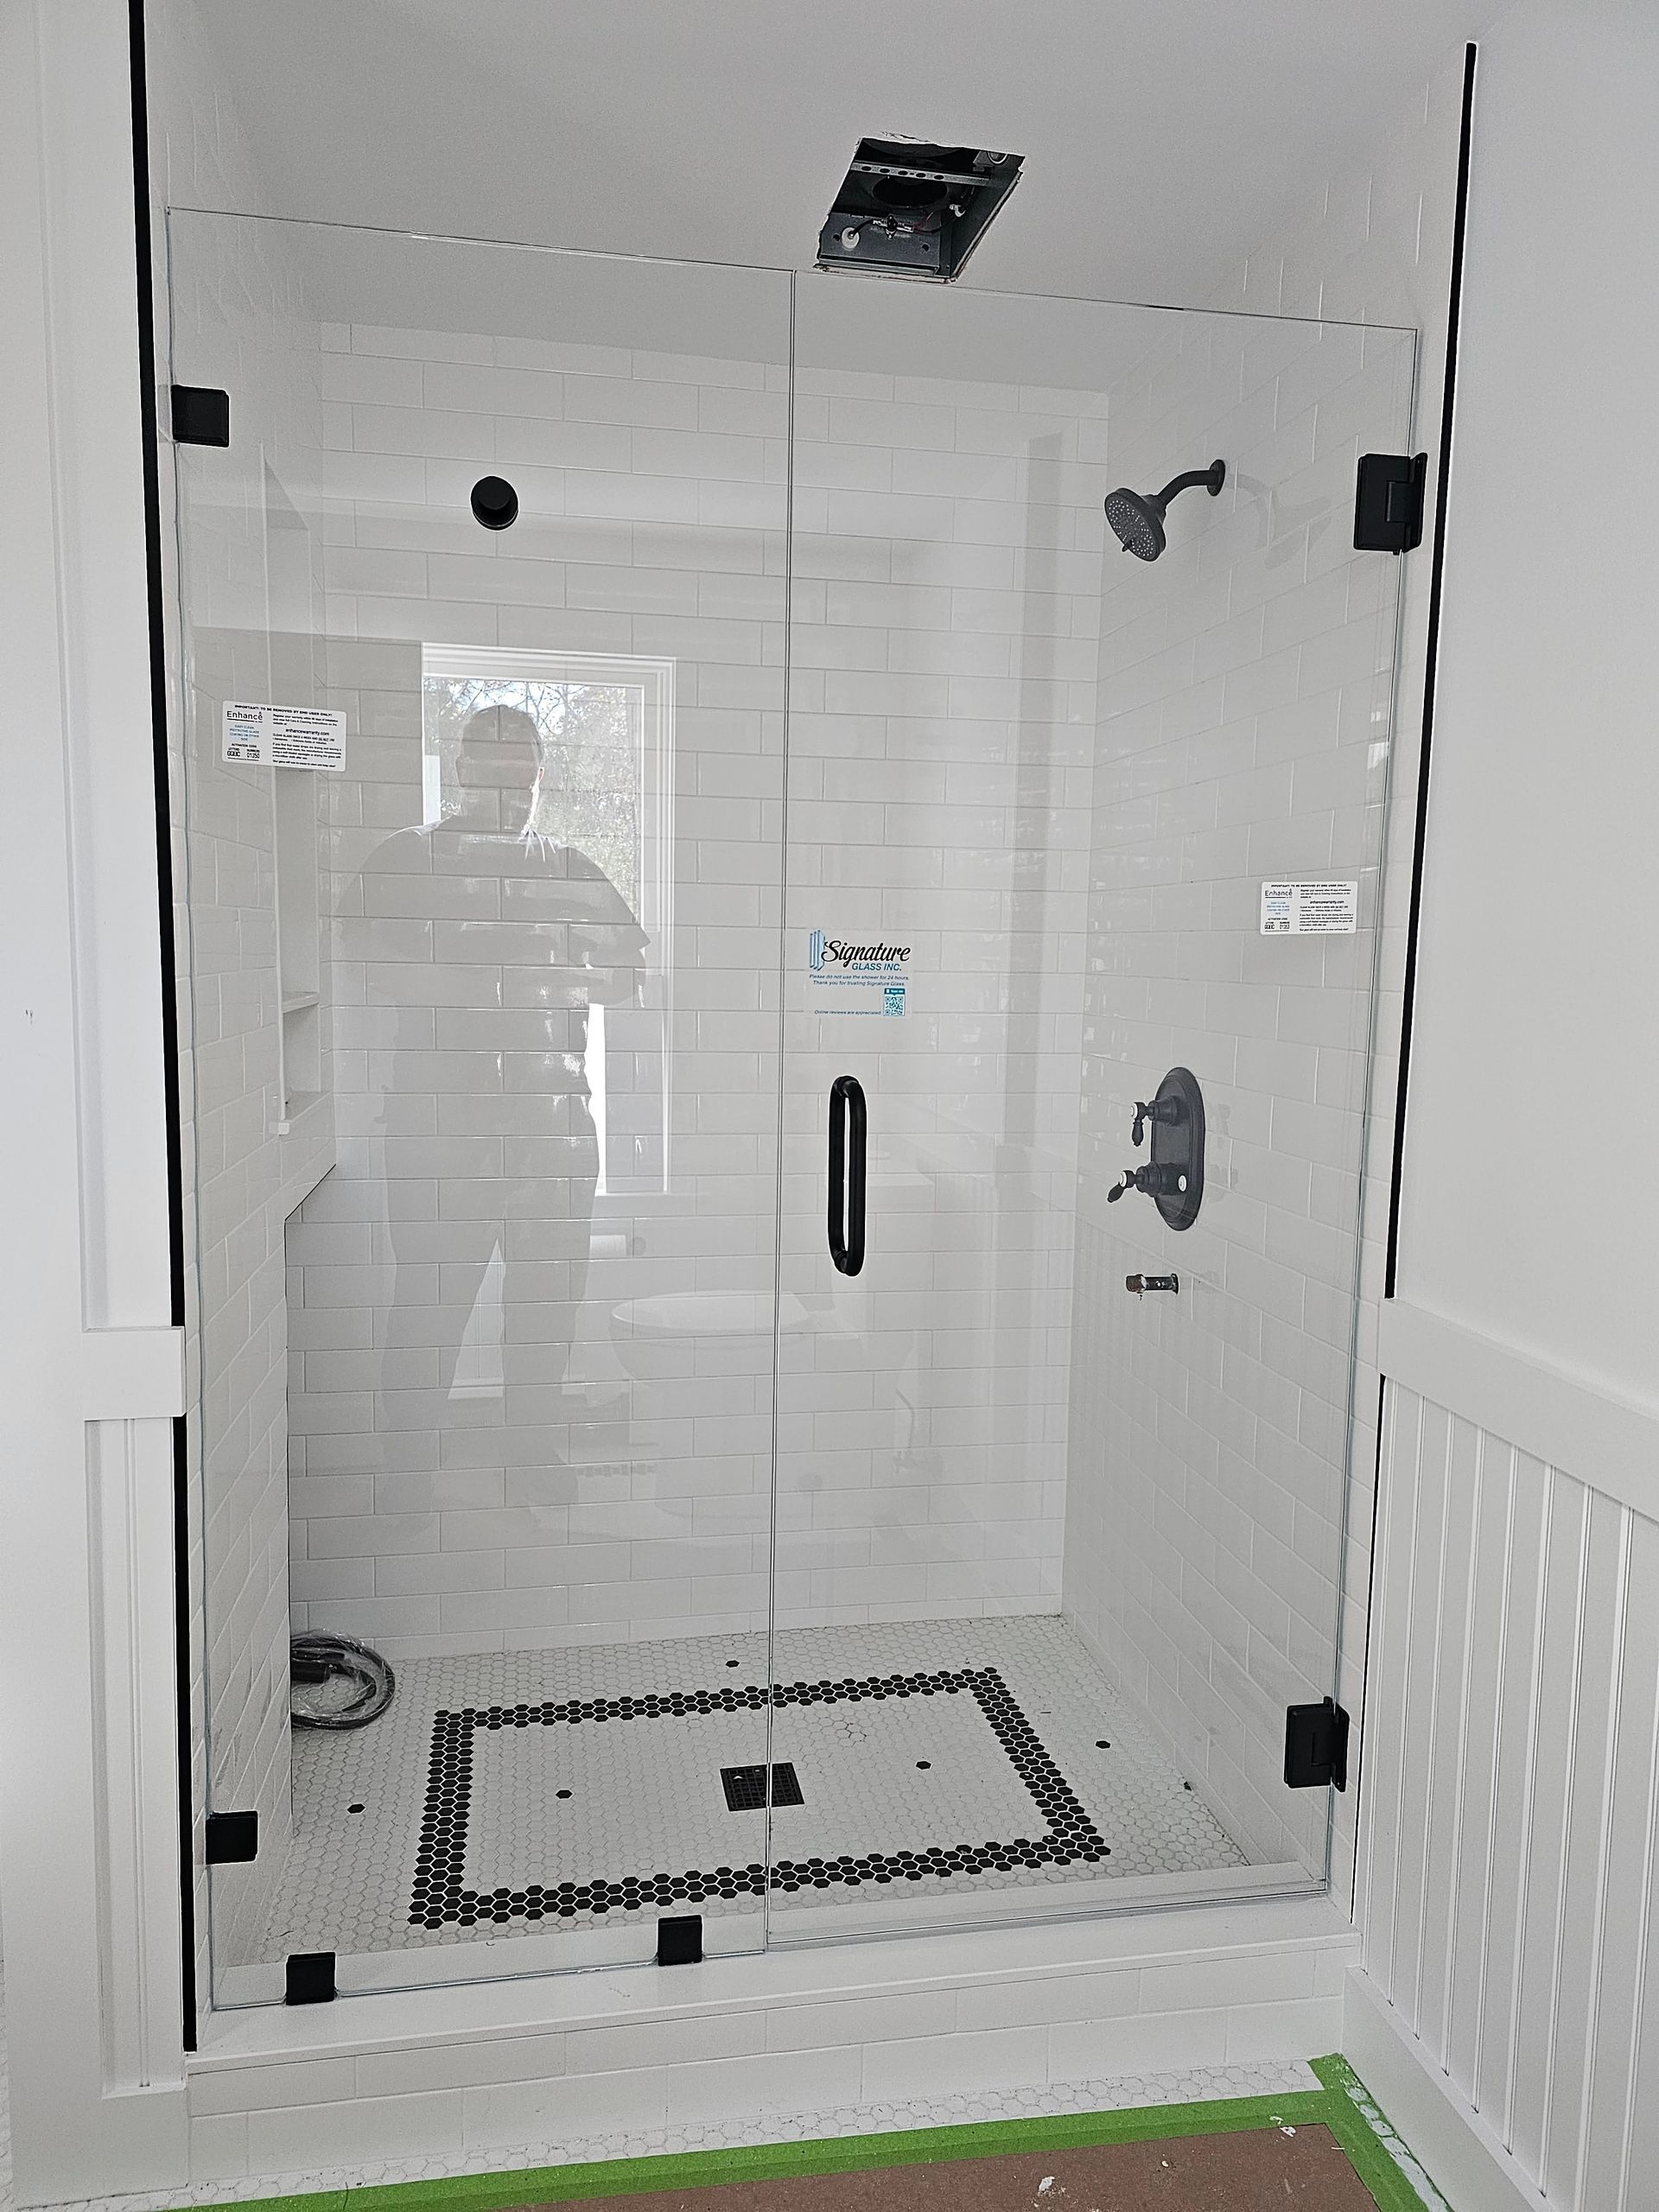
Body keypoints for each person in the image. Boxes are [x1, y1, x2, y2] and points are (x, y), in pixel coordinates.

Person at [347, 702, 645, 1464]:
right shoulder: (405, 860)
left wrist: (549, 973)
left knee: (546, 1316)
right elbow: (369, 966)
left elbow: (625, 974)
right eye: (496, 770)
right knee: (428, 1311)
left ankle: (533, 1459)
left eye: (527, 773)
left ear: (541, 777)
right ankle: (406, 1473)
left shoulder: (573, 869)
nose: (514, 790)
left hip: (552, 1134)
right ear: (462, 771)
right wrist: (487, 979)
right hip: (439, 1131)